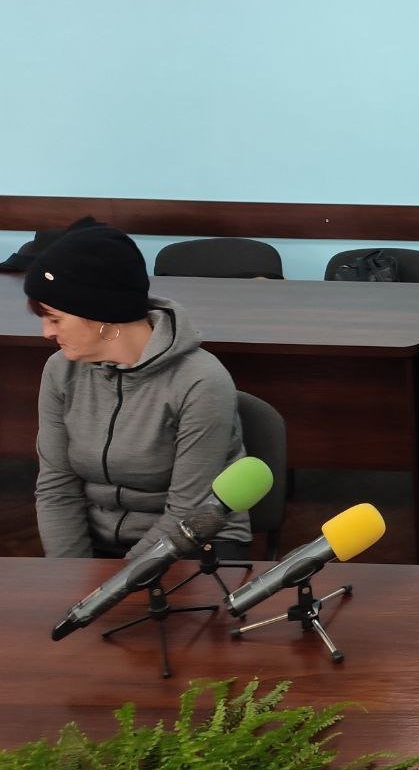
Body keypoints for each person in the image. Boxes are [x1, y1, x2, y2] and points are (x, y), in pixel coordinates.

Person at [24, 222, 251, 559]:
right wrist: (69, 574)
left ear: (100, 313)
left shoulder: (201, 381)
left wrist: (115, 585)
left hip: (194, 544)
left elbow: (186, 512)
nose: (46, 333)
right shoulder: (61, 370)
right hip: (101, 546)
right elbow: (57, 489)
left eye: (55, 319)